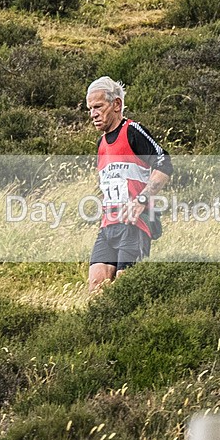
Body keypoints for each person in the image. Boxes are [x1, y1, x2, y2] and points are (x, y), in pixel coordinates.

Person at [86, 76, 173, 292]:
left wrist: (141, 200)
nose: (93, 114)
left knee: (126, 288)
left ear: (116, 105)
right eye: (89, 109)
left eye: (98, 107)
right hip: (108, 226)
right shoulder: (101, 143)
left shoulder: (132, 131)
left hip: (134, 224)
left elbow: (165, 162)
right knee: (96, 284)